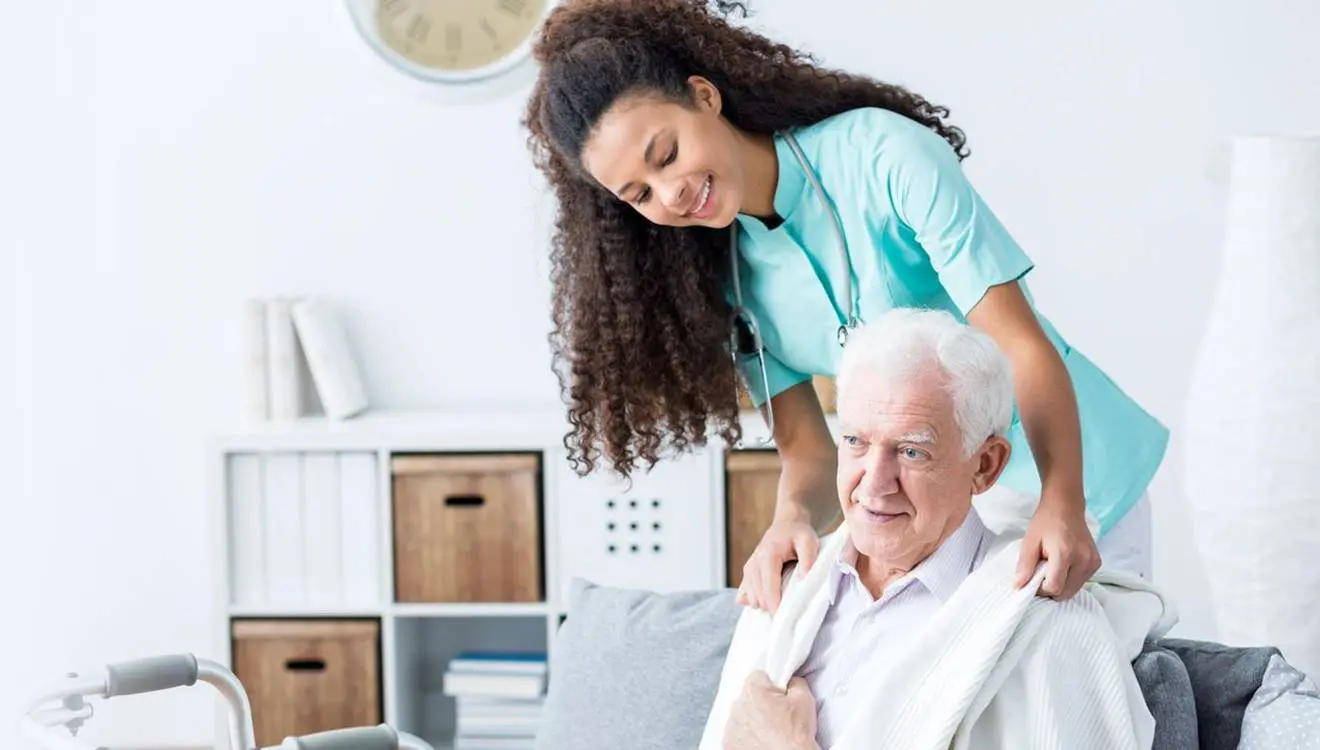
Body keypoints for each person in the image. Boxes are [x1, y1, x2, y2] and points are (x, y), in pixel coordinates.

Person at [522, 0, 1168, 608]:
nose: (671, 193)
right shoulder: (723, 280)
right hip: (937, 516)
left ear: (704, 96)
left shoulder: (882, 153)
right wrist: (791, 522)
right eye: (639, 194)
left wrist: (1062, 498)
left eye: (666, 155)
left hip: (1073, 477)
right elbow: (809, 451)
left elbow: (1020, 344)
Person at [700, 308, 1174, 750]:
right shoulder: (785, 592)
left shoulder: (1051, 631)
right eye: (855, 442)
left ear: (986, 466)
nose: (875, 483)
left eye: (911, 451)